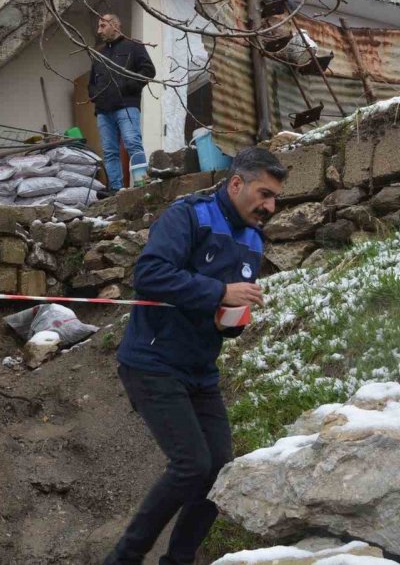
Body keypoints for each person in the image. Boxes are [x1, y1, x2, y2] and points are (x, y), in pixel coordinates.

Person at [104, 147, 287, 565]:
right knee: (191, 465)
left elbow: (228, 316)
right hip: (152, 362)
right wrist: (219, 292)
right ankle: (122, 558)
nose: (270, 206)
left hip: (200, 370)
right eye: (263, 194)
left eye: (275, 198)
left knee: (220, 472)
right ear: (236, 184)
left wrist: (233, 321)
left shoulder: (254, 240)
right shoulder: (188, 215)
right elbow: (148, 274)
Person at [88, 13, 156, 194]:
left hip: (127, 105)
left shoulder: (134, 46)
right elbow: (91, 84)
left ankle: (143, 184)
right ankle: (115, 189)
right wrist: (95, 96)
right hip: (104, 110)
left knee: (133, 143)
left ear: (115, 25)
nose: (99, 30)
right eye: (99, 26)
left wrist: (127, 86)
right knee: (109, 151)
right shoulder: (99, 55)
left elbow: (148, 71)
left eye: (103, 26)